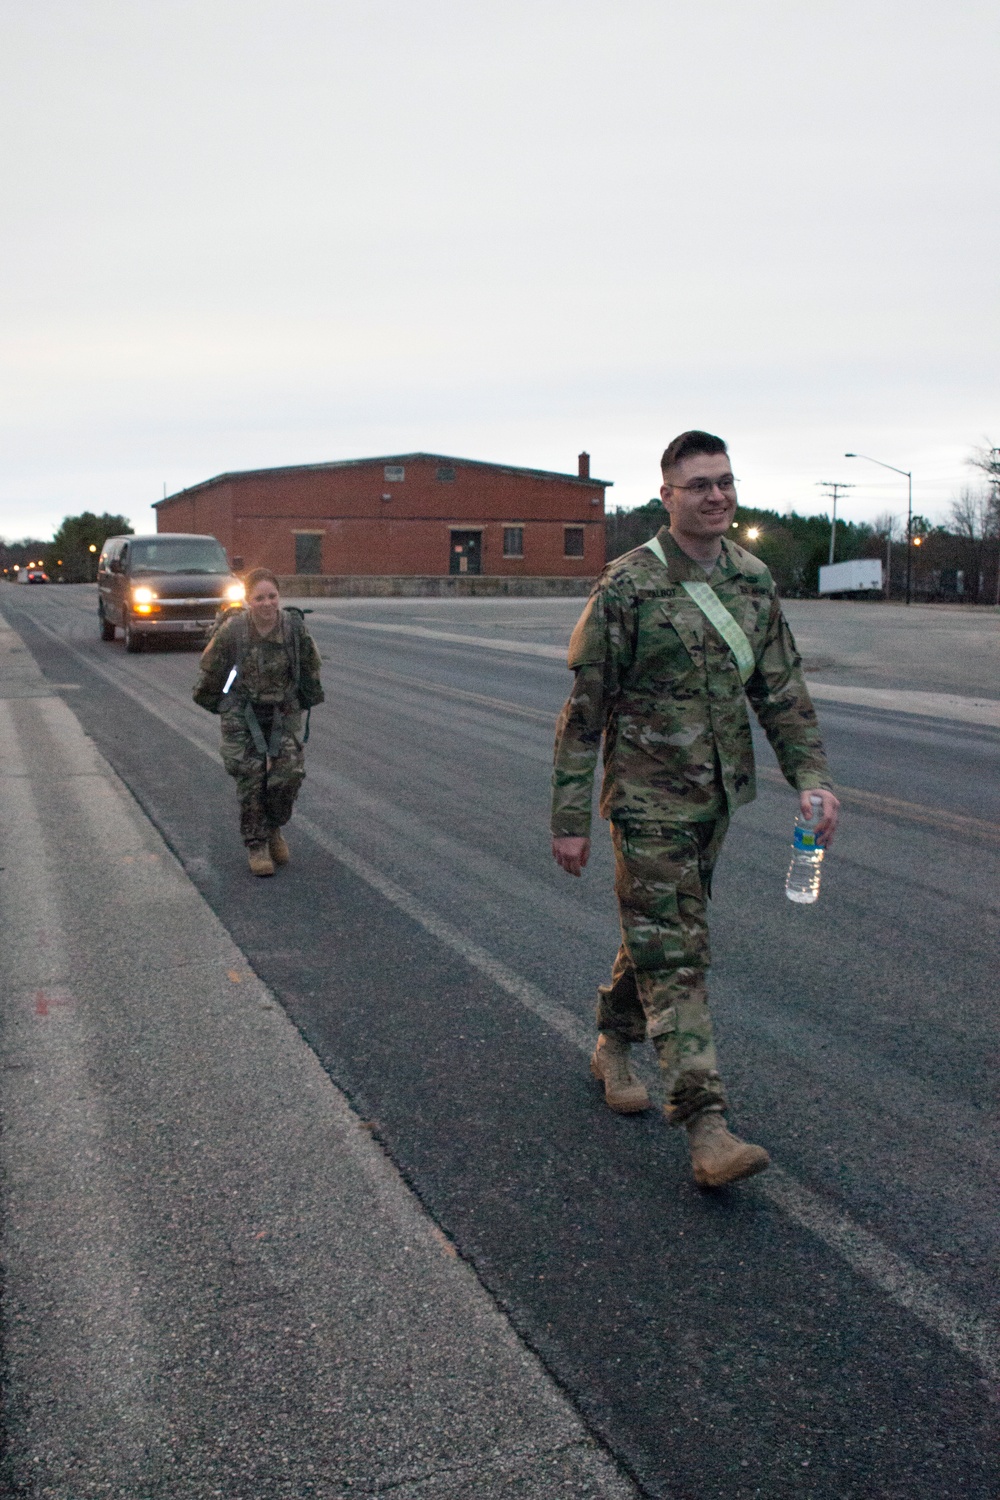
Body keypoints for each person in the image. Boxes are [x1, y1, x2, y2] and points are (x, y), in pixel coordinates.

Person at [550, 430, 839, 1188]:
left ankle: (614, 1039)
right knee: (678, 951)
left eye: (725, 481)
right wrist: (569, 818)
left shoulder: (751, 581)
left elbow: (781, 691)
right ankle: (705, 1126)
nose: (716, 495)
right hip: (644, 804)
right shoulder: (627, 587)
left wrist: (812, 778)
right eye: (699, 484)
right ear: (666, 497)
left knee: (660, 933)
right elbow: (584, 712)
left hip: (715, 800)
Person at [193, 568, 324, 877]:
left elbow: (310, 669)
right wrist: (222, 708)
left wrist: (302, 704)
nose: (267, 604)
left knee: (288, 774)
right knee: (250, 775)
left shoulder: (294, 629)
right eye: (259, 598)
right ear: (248, 601)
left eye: (272, 596)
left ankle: (274, 827)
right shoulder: (234, 631)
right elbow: (210, 673)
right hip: (242, 708)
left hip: (282, 708)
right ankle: (257, 844)